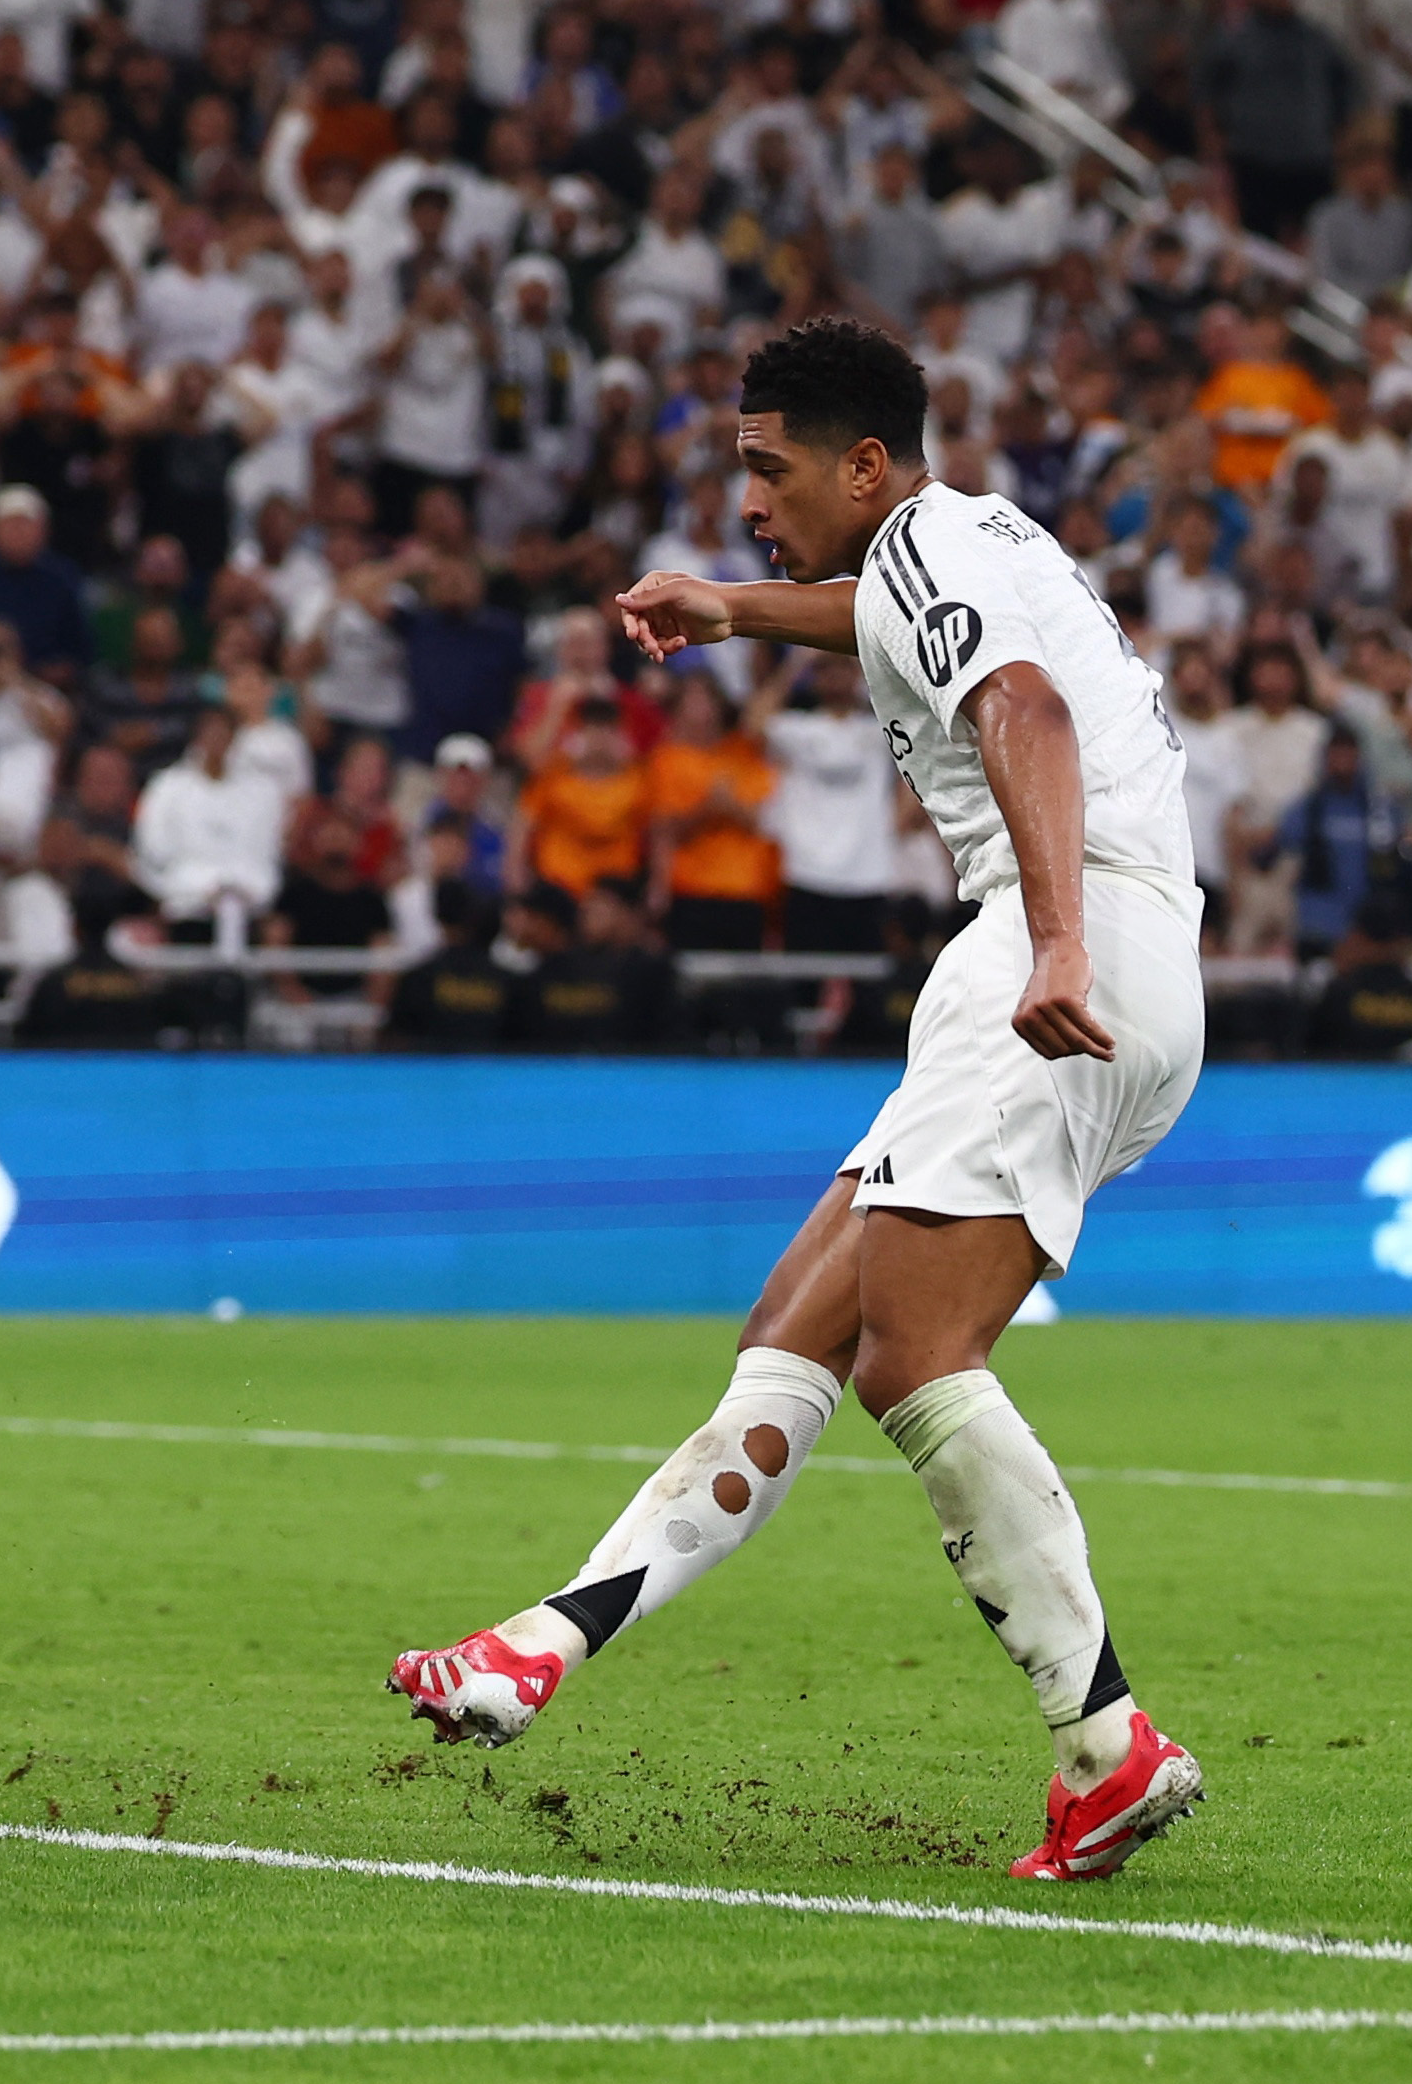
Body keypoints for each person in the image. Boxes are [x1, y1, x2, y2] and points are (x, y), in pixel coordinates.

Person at [399, 321, 1209, 1885]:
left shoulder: (924, 548)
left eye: (767, 472)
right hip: (1142, 951)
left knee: (918, 1356)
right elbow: (897, 627)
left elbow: (1022, 710)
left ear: (862, 464)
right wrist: (737, 609)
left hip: (1063, 934)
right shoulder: (955, 541)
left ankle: (1106, 1742)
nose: (746, 498)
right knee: (797, 1330)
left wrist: (1047, 934)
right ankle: (541, 1644)